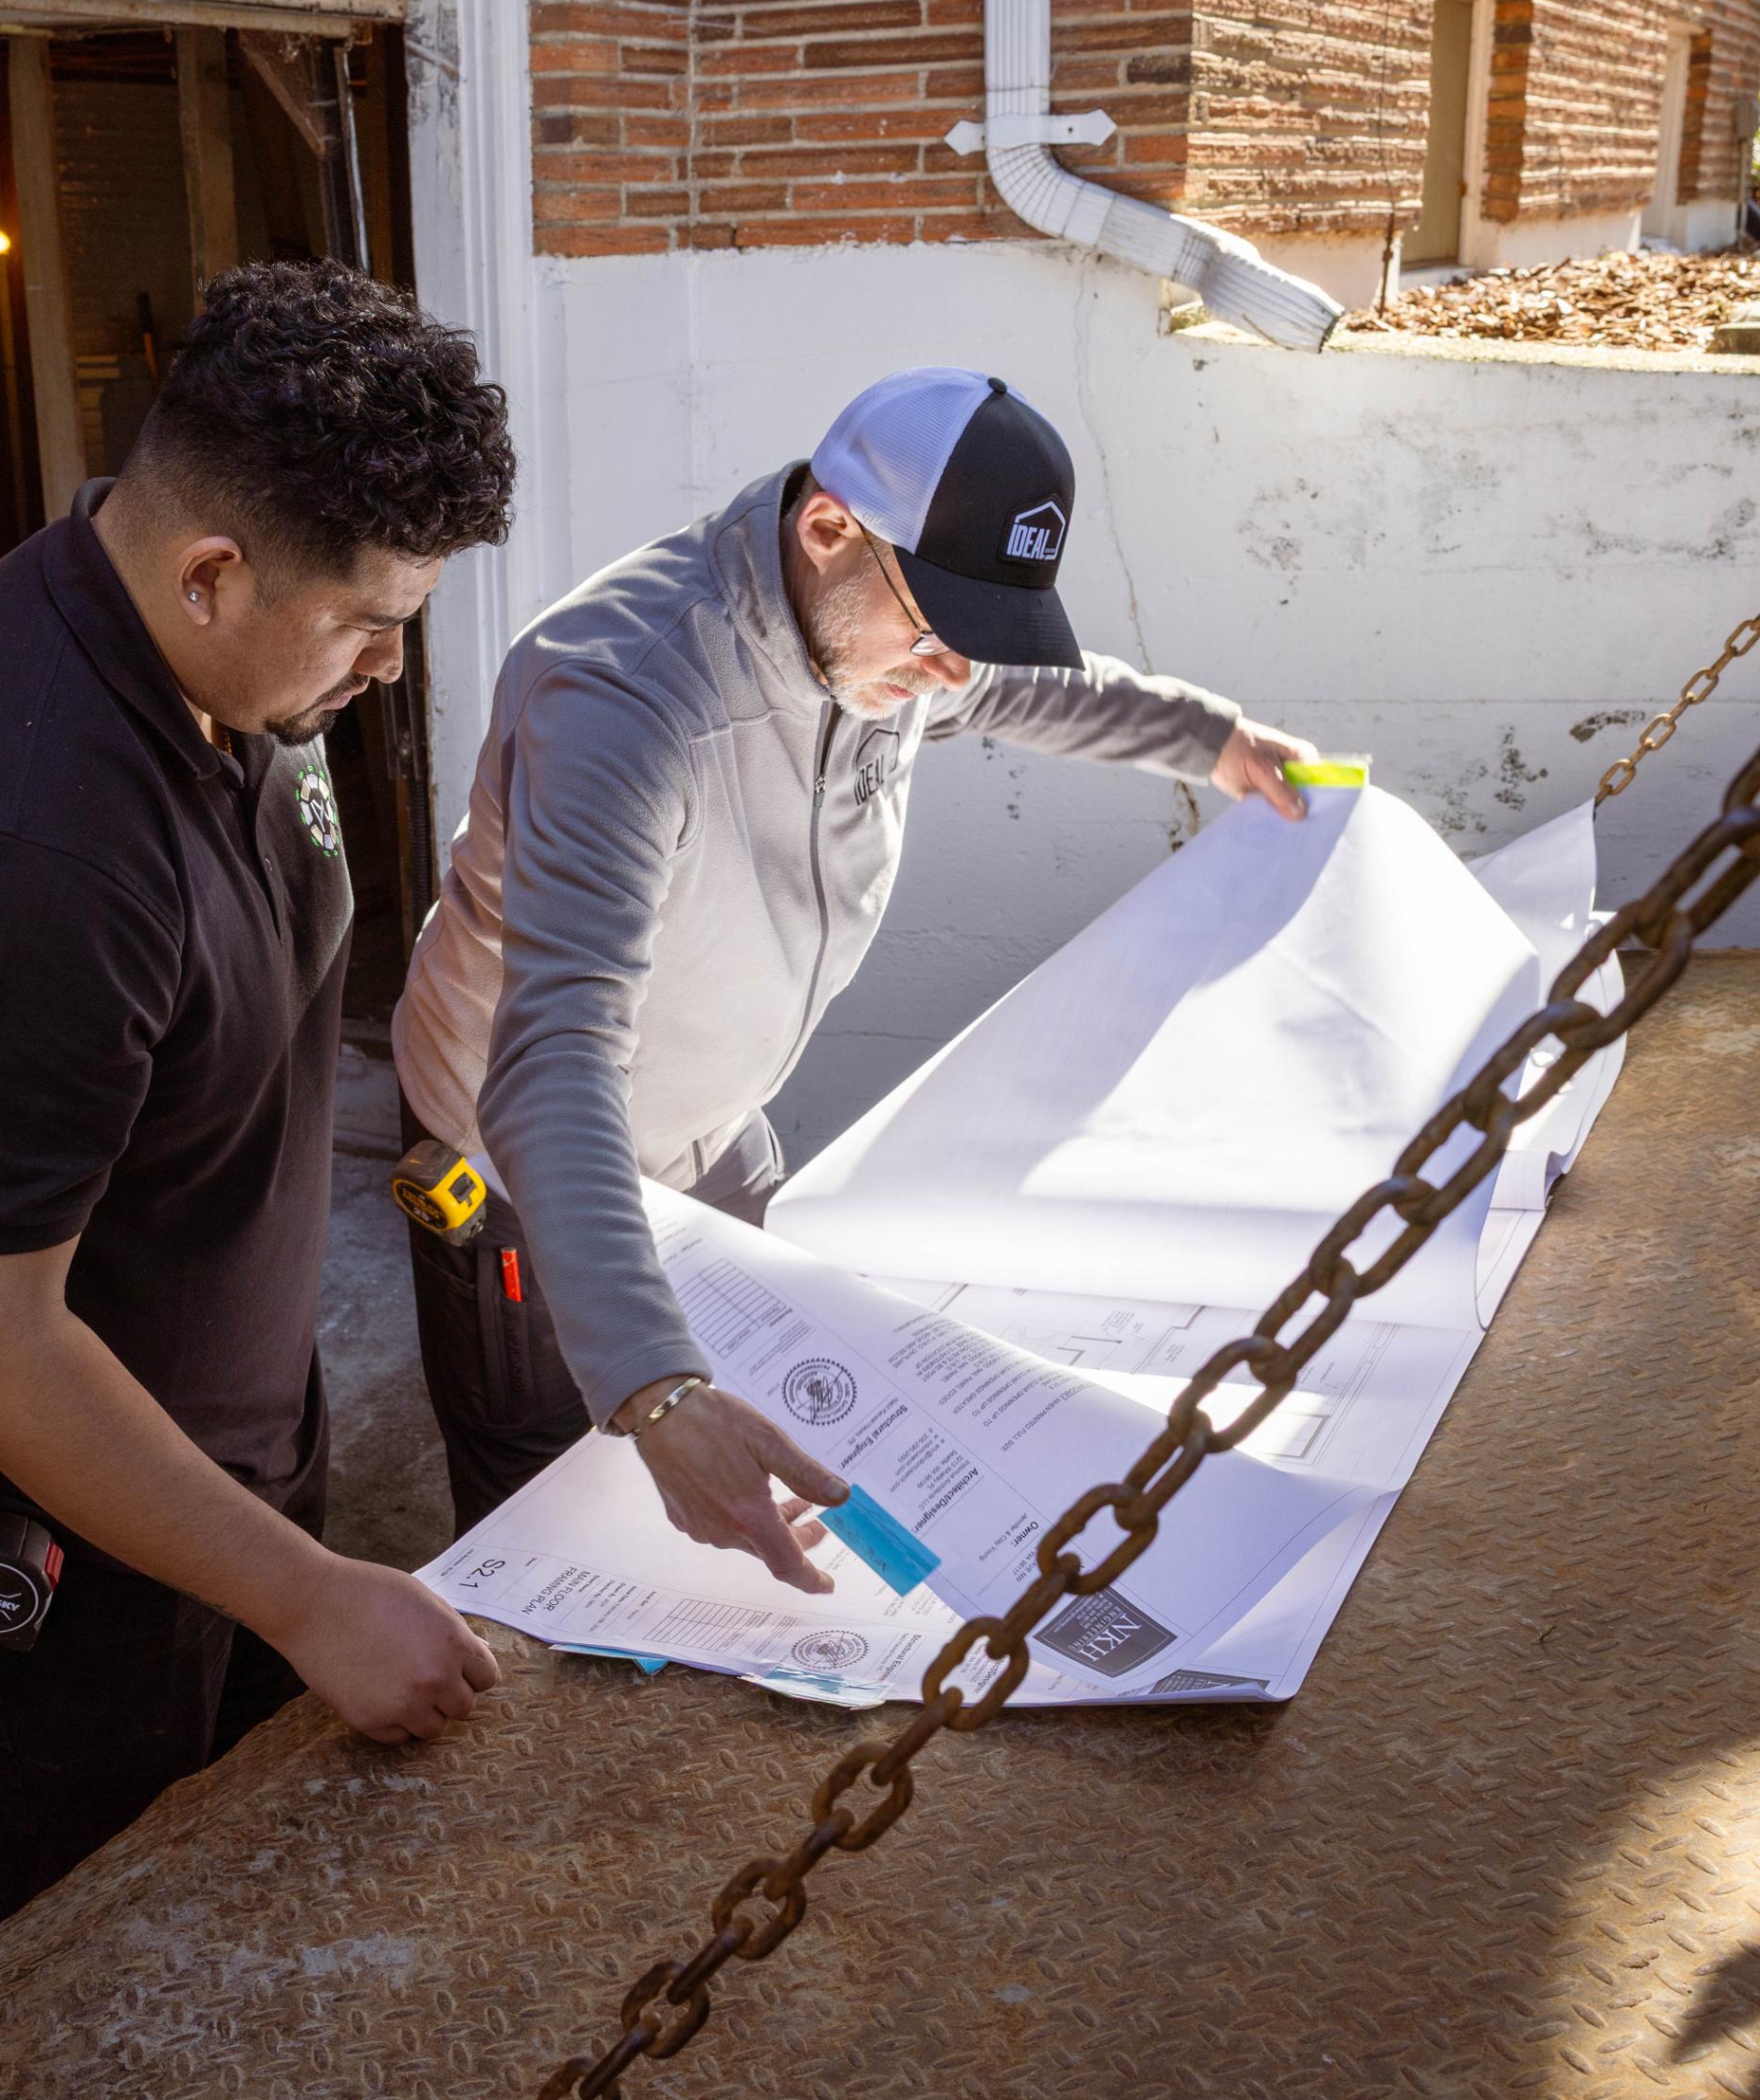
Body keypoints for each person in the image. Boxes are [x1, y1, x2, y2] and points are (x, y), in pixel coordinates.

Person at [0, 260, 514, 1937]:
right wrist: (304, 1595)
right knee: (101, 1909)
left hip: (214, 1432)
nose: (392, 665)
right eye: (370, 621)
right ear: (211, 571)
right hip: (44, 1510)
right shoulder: (21, 850)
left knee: (242, 1839)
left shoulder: (238, 671)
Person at [393, 367, 1322, 1577]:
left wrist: (1216, 739)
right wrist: (654, 1388)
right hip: (526, 1167)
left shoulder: (879, 628)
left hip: (713, 1130)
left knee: (754, 1496)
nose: (951, 673)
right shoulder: (623, 699)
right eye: (936, 635)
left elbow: (1036, 690)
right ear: (830, 528)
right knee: (557, 1545)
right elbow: (553, 1061)